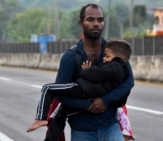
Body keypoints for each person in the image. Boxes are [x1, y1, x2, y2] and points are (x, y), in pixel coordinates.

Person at [41, 3, 134, 141]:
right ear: (81, 23)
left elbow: (129, 81)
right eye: (90, 20)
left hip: (110, 127)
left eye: (100, 20)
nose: (96, 24)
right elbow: (60, 94)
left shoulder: (114, 51)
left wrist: (104, 100)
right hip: (82, 132)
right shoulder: (71, 57)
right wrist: (88, 105)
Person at [27, 40, 132, 141]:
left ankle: (40, 118)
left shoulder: (114, 66)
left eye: (107, 56)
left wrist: (86, 71)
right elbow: (123, 94)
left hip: (83, 89)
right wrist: (95, 103)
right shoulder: (123, 70)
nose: (104, 59)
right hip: (87, 104)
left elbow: (98, 74)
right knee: (61, 113)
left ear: (118, 58)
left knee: (48, 88)